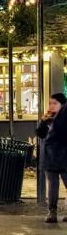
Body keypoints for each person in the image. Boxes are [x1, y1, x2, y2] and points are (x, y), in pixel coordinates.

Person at [36, 93, 67, 223]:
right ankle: (52, 211)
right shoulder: (48, 117)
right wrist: (43, 122)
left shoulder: (64, 118)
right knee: (52, 185)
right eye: (50, 103)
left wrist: (52, 123)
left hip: (64, 155)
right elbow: (40, 134)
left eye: (55, 103)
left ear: (62, 105)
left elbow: (60, 133)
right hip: (49, 156)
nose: (52, 106)